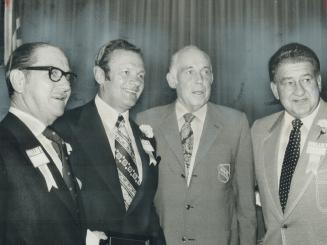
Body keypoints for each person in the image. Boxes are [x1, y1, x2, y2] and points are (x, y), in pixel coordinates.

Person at [137, 45, 256, 245]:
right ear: (172, 80)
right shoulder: (146, 122)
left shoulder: (236, 123)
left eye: (205, 72)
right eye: (189, 71)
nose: (199, 80)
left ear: (212, 79)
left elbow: (246, 205)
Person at [54, 39, 165, 245]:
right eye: (126, 72)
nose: (136, 81)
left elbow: (147, 211)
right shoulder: (63, 129)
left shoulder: (145, 138)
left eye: (141, 75)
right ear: (100, 75)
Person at [0, 42, 85, 244]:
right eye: (53, 73)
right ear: (19, 80)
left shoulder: (57, 142)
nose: (66, 86)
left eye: (68, 76)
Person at [251, 43, 327, 245]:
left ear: (318, 82)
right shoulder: (259, 131)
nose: (299, 91)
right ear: (275, 90)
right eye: (289, 83)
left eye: (306, 80)